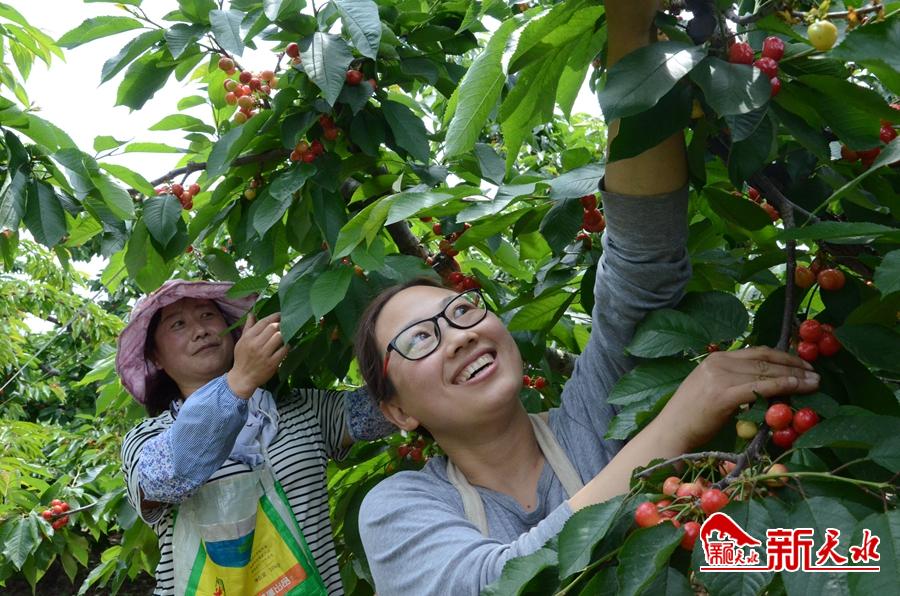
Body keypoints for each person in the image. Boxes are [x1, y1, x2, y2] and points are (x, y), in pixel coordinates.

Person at [351, 2, 821, 594]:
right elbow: (496, 584)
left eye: (463, 310)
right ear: (397, 411)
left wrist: (629, 26)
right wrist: (675, 425)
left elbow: (642, 264)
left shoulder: (593, 416)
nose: (459, 335)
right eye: (420, 338)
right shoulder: (398, 507)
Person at [117, 280, 394, 595]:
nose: (200, 330)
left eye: (208, 315)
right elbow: (164, 477)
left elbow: (386, 408)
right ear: (156, 357)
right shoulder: (147, 438)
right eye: (177, 324)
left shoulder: (299, 409)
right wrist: (239, 381)